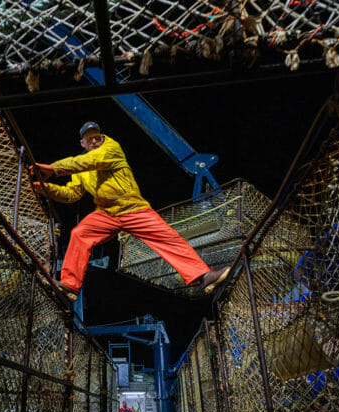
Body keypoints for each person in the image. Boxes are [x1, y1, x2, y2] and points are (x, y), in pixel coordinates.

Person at [31, 121, 230, 301]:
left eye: (96, 136)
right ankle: (70, 286)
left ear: (101, 137)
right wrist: (47, 189)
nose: (94, 140)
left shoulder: (110, 148)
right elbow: (71, 194)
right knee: (80, 233)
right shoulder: (81, 167)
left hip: (133, 208)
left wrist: (54, 169)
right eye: (89, 138)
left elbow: (90, 161)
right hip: (107, 213)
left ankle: (203, 276)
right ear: (82, 143)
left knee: (167, 237)